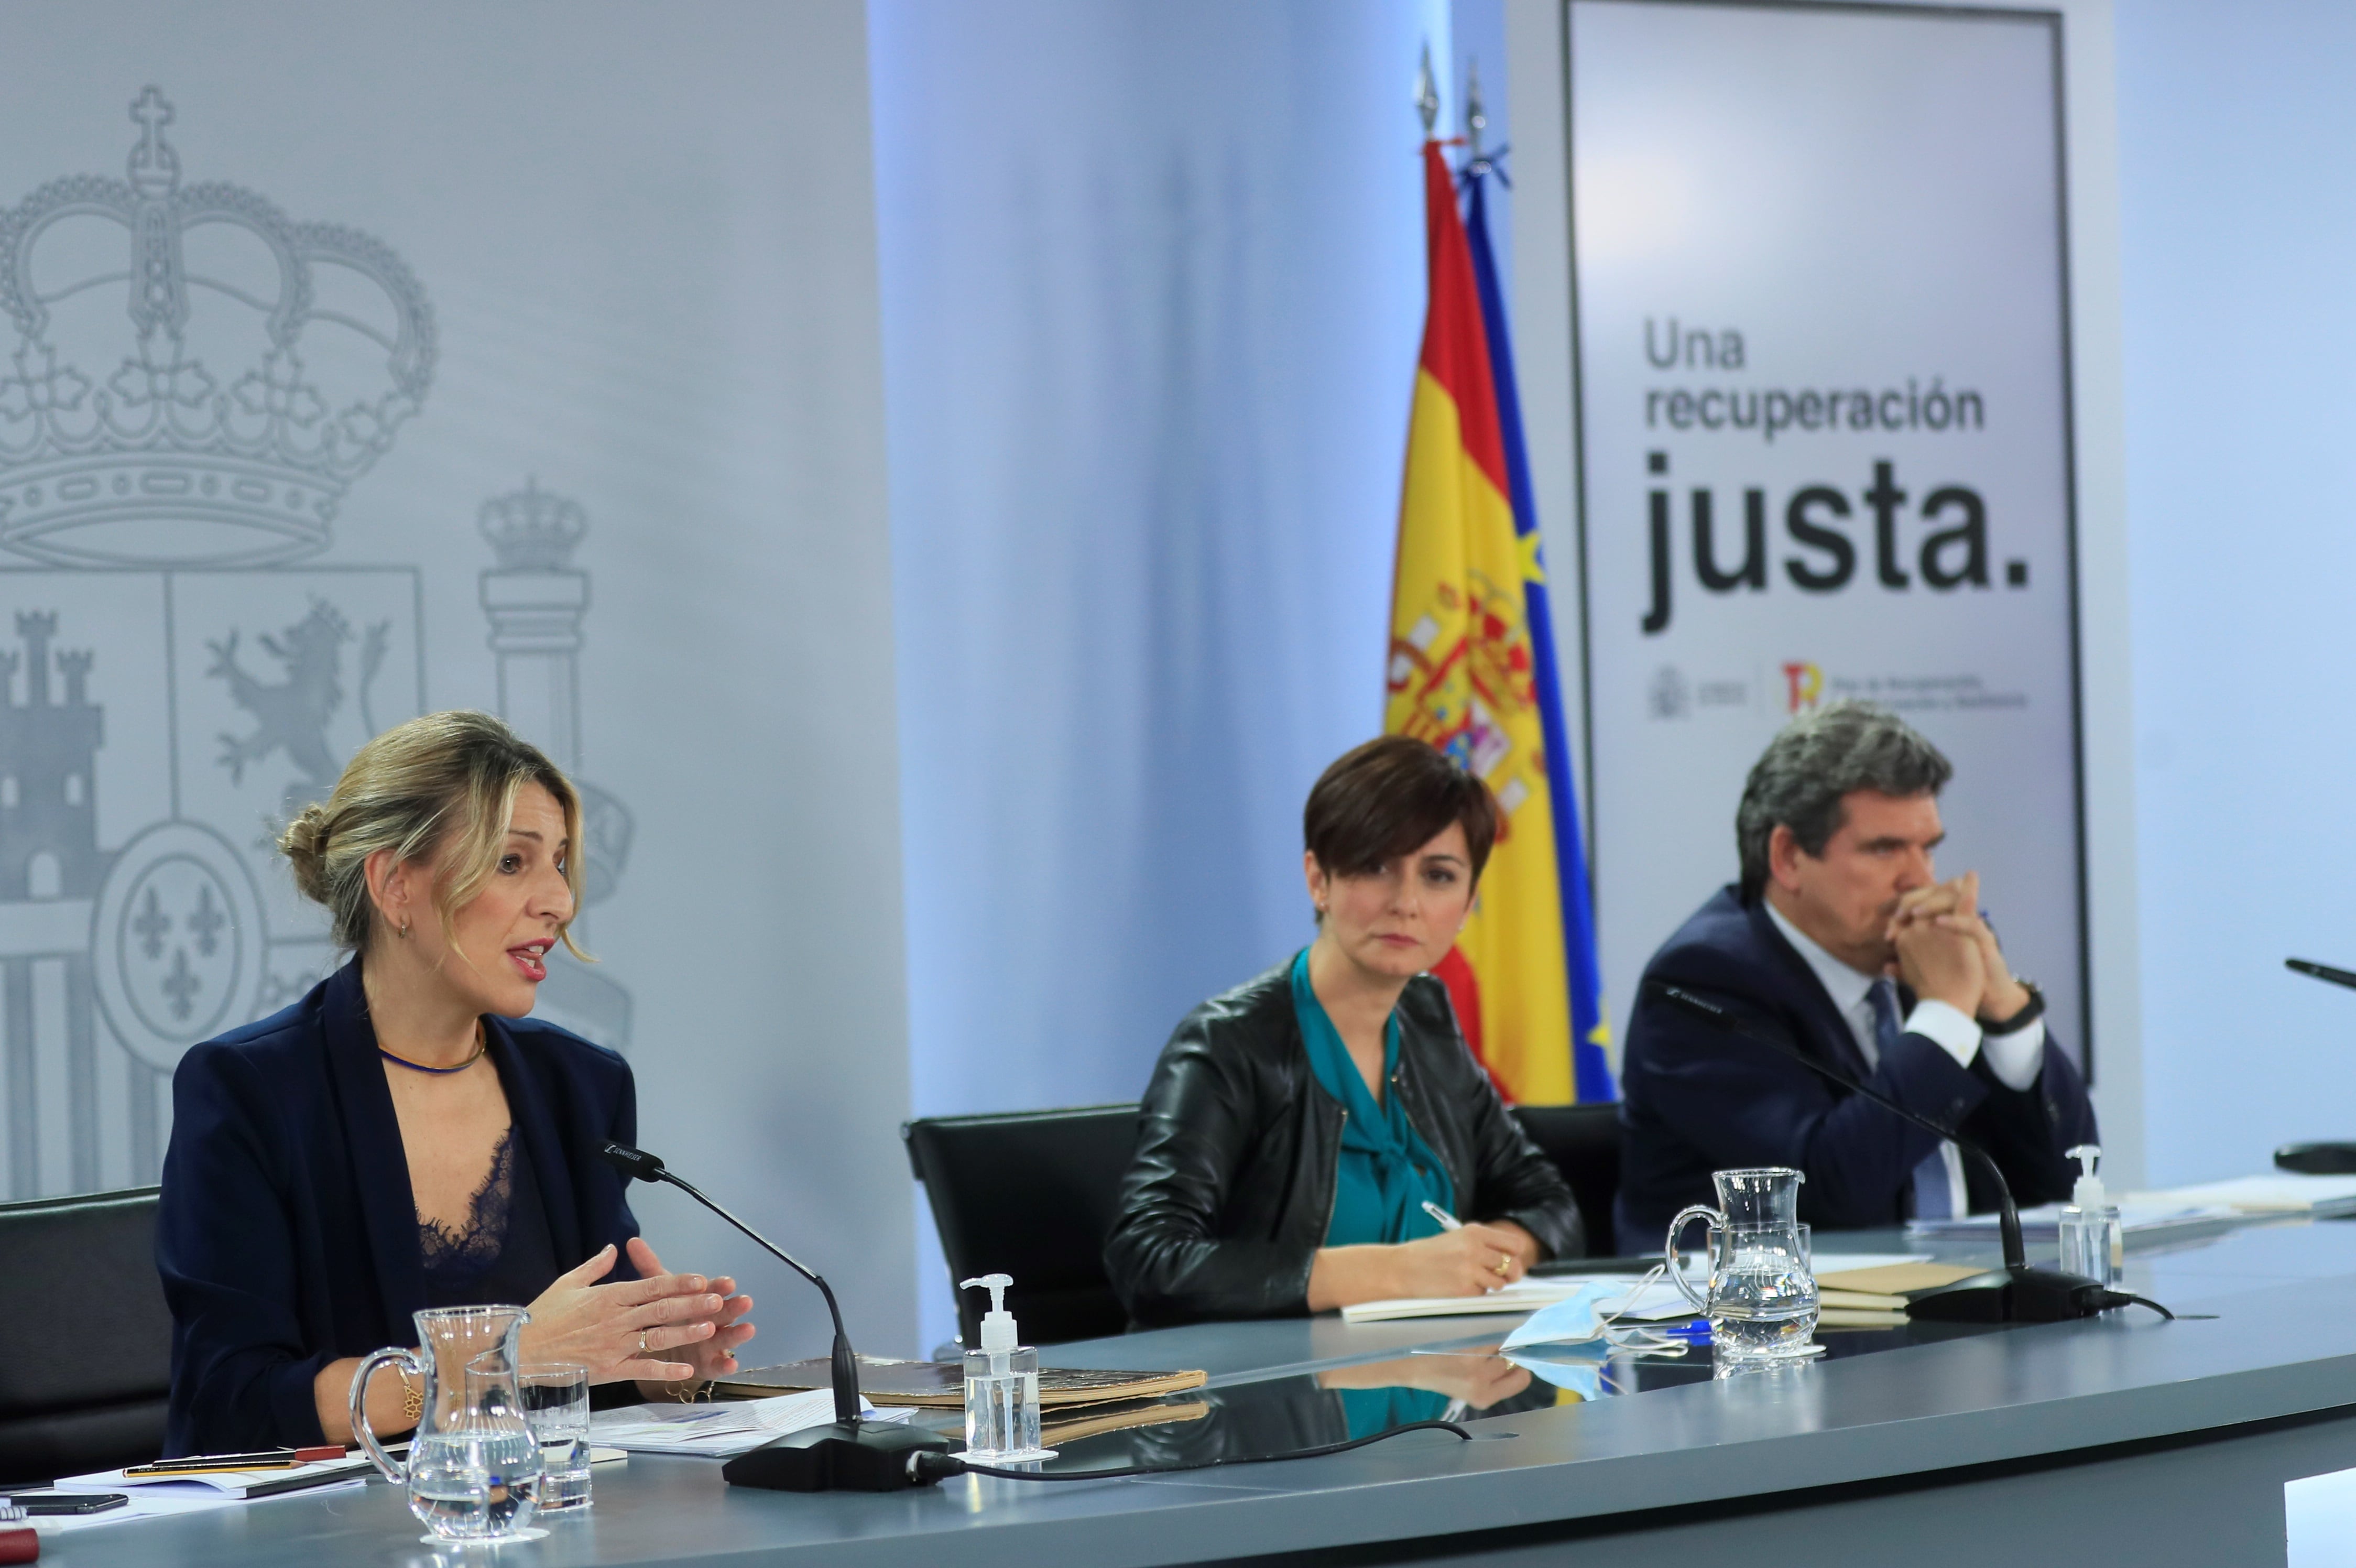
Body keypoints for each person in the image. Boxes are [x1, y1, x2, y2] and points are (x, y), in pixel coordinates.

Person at [158, 711, 756, 1456]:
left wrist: (666, 1364)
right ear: (396, 885)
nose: (560, 903)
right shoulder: (252, 1091)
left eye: (561, 862)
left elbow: (577, 1380)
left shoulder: (580, 1085)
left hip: (540, 1519)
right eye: (513, 862)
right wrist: (502, 1358)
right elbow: (233, 1404)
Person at [1105, 736, 1585, 1326]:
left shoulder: (1427, 1020)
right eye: (1375, 866)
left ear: (1466, 906)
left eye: (1437, 876)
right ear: (1318, 879)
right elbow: (1150, 1261)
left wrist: (1494, 1256)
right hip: (1264, 1403)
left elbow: (1545, 1199)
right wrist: (1398, 1272)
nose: (1405, 901)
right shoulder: (1227, 1044)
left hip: (1437, 1385)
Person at [1614, 700, 2096, 1249]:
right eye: (1885, 848)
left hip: (1962, 1309)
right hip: (1766, 1324)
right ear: (1788, 857)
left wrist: (2004, 1012)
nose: (1918, 879)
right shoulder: (1701, 984)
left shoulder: (1927, 959)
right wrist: (1943, 1016)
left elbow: (2069, 1183)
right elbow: (1826, 1196)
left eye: (1927, 849)